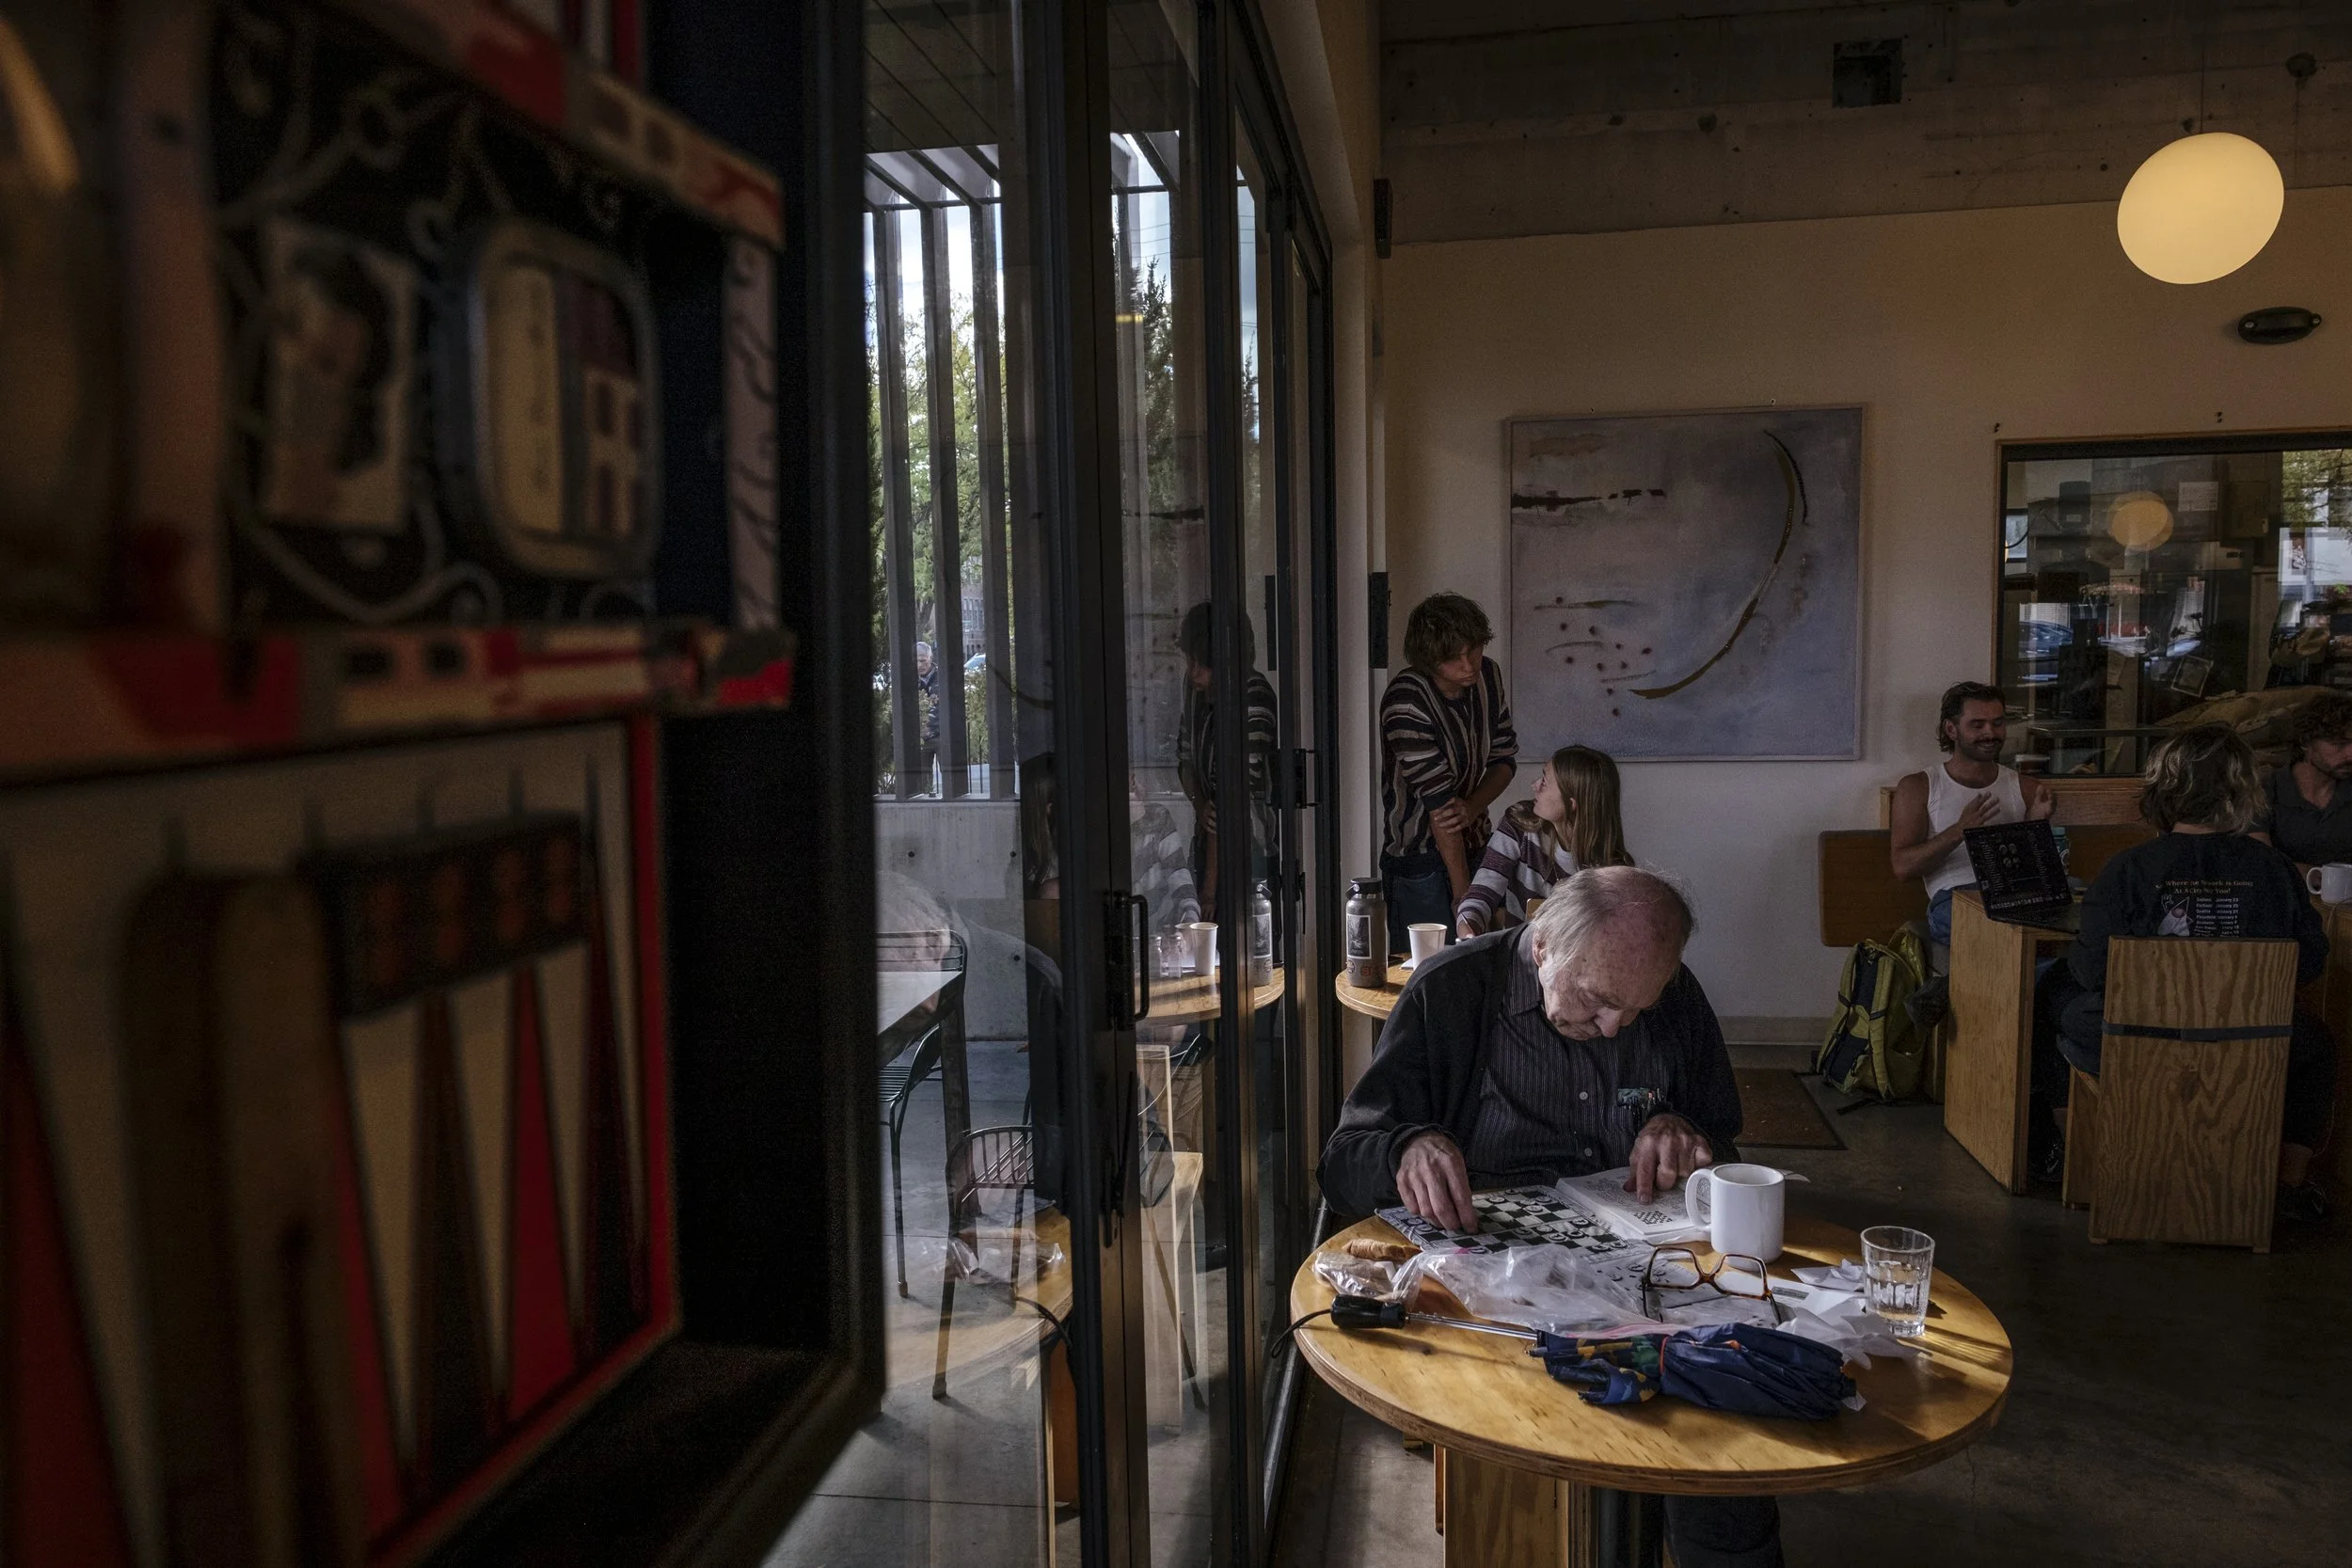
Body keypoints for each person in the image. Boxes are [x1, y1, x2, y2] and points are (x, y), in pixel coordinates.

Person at [1320, 867, 1776, 1568]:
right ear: (1542, 948)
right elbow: (1344, 1163)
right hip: (1504, 1287)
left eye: (1637, 1008)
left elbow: (1723, 1136)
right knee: (1561, 1437)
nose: (1616, 1026)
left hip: (1651, 1266)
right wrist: (1407, 1147)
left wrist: (1685, 1131)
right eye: (1596, 1002)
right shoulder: (1451, 992)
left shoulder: (1674, 997)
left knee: (1725, 1434)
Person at [2029, 724, 2335, 1217]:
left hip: (2137, 1044)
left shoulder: (2127, 870)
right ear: (2241, 792)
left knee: (2051, 998)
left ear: (2162, 792)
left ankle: (2073, 1157)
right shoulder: (2274, 870)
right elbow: (2311, 961)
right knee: (2315, 1044)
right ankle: (2288, 1185)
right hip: (2251, 1048)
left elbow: (2092, 971)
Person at [1381, 593, 1518, 950]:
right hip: (1419, 860)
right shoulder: (1407, 700)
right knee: (1425, 977)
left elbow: (1504, 761)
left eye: (1472, 650)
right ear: (1429, 661)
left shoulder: (1488, 676)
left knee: (1482, 973)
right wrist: (1463, 896)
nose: (1468, 664)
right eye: (1452, 658)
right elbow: (1441, 811)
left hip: (1477, 845)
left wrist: (1472, 807)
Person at [1889, 681, 2052, 947]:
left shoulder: (2026, 788)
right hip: (1954, 899)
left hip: (2015, 897)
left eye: (1998, 724)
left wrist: (2036, 824)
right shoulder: (1919, 786)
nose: (1990, 733)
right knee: (2006, 934)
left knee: (2086, 904)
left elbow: (2034, 871)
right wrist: (1959, 831)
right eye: (1977, 725)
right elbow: (1902, 868)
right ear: (1951, 729)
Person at [1455, 744, 1632, 938]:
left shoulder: (1613, 869)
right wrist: (1468, 928)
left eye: (1545, 782)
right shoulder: (1519, 824)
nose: (1535, 785)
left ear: (1571, 803)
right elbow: (1483, 891)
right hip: (1518, 959)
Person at [1174, 602, 1278, 921]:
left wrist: (1207, 891)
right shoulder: (1196, 692)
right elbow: (1186, 759)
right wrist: (1199, 803)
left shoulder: (1253, 697)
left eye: (1201, 663)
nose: (1192, 672)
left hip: (1250, 852)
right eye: (1190, 660)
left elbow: (1230, 799)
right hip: (1208, 844)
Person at [2257, 690, 2352, 867]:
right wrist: (2315, 877)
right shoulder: (2267, 788)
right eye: (2339, 744)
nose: (2350, 754)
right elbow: (2258, 857)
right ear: (2306, 742)